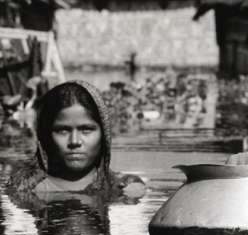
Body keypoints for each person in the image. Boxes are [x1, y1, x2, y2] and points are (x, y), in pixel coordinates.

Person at [6, 80, 145, 200]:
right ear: (45, 136)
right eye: (63, 130)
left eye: (86, 129)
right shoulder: (23, 189)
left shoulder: (125, 187)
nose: (75, 141)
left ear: (104, 135)